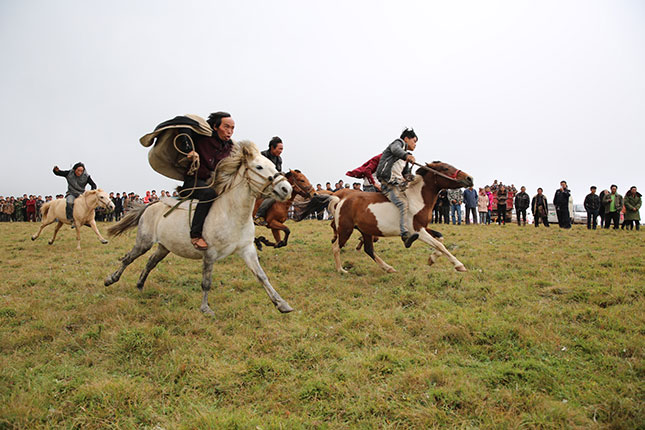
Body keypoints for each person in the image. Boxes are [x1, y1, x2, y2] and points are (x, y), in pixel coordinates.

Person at [375, 128, 419, 247]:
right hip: (388, 182)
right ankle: (405, 234)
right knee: (403, 203)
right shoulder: (398, 143)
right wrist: (406, 156)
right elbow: (396, 150)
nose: (415, 144)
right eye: (414, 141)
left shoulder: (404, 156)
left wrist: (410, 176)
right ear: (406, 139)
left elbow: (404, 173)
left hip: (398, 182)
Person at [254, 136, 284, 225]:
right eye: (280, 149)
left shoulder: (279, 159)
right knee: (273, 196)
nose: (281, 151)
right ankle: (258, 215)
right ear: (272, 147)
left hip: (271, 184)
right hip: (259, 183)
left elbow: (278, 172)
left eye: (282, 149)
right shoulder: (262, 156)